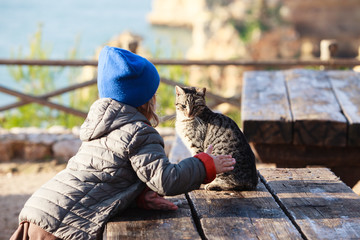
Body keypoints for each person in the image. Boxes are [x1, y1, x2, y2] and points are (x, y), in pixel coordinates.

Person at [10, 46, 236, 240]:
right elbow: (166, 180)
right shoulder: (139, 133)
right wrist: (205, 164)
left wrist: (136, 195)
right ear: (148, 101)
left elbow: (106, 174)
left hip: (39, 210)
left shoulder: (99, 125)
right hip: (65, 227)